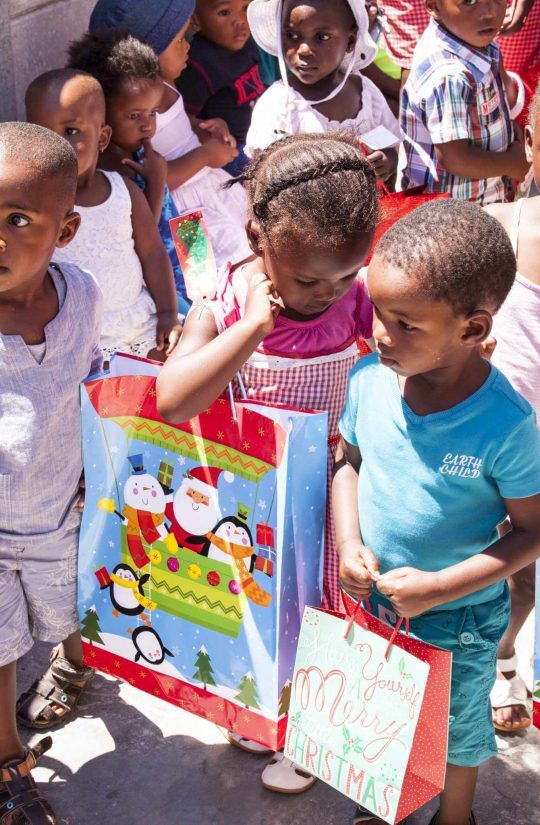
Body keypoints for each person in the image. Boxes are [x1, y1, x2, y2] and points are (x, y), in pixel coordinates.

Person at [157, 132, 379, 792]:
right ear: (258, 238)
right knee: (264, 609)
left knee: (325, 612)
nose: (329, 292)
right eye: (309, 278)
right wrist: (250, 328)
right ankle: (266, 710)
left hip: (333, 497)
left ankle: (310, 734)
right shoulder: (225, 298)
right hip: (257, 503)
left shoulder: (354, 296)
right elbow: (172, 398)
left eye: (346, 273)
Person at [333, 200, 540, 825]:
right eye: (378, 312)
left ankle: (455, 817)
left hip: (461, 618)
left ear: (472, 330)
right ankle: (378, 804)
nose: (381, 334)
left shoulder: (504, 423)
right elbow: (349, 463)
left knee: (458, 731)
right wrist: (350, 544)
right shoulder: (369, 380)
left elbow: (535, 531)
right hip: (374, 604)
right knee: (376, 710)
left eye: (405, 324)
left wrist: (440, 587)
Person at [0, 122, 103, 823]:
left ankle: (76, 661)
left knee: (68, 611)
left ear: (64, 232)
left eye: (17, 220)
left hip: (60, 512)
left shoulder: (83, 298)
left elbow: (93, 388)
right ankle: (8, 758)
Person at [26, 68, 180, 363]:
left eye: (71, 132)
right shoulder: (34, 204)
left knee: (164, 379)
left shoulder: (123, 190)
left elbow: (152, 254)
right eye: (43, 133)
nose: (57, 145)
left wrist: (168, 313)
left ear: (102, 136)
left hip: (137, 322)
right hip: (76, 337)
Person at [89, 0, 252, 271]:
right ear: (146, 54)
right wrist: (204, 156)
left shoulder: (166, 81)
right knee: (207, 275)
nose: (188, 45)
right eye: (178, 41)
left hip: (211, 187)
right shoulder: (137, 111)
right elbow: (154, 180)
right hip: (183, 211)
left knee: (253, 241)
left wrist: (209, 127)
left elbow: (179, 120)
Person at [484, 69, 540, 732]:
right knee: (503, 571)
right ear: (528, 143)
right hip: (505, 443)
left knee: (537, 579)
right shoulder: (498, 232)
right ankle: (498, 665)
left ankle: (518, 663)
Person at [66, 31, 189, 308]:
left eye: (153, 113)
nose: (147, 126)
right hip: (154, 284)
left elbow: (179, 225)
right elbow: (140, 240)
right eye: (134, 116)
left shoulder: (138, 153)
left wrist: (200, 262)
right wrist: (157, 184)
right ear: (101, 115)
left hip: (185, 263)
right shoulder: (109, 170)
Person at [245, 0, 402, 182]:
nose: (303, 50)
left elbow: (389, 143)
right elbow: (261, 174)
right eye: (292, 35)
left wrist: (387, 160)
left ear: (350, 41)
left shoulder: (363, 91)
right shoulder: (280, 104)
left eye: (322, 37)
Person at [399, 0, 530, 203]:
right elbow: (456, 159)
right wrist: (512, 164)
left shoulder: (475, 40)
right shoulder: (449, 76)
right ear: (434, 7)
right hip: (455, 217)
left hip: (483, 197)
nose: (488, 12)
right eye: (469, 1)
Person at [177, 0, 267, 176]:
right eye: (224, 12)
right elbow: (184, 117)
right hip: (232, 147)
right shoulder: (198, 63)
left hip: (259, 129)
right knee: (263, 173)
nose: (240, 20)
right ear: (196, 20)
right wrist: (212, 131)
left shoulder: (248, 41)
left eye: (245, 8)